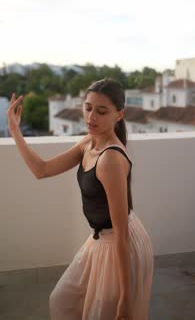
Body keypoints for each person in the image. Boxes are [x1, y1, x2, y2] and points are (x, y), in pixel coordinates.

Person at [7, 78, 154, 320]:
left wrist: (126, 298)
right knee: (62, 300)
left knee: (101, 313)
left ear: (119, 115)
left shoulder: (110, 159)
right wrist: (15, 131)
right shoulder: (88, 143)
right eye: (88, 108)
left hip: (118, 242)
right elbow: (41, 170)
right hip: (100, 239)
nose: (91, 117)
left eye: (101, 111)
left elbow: (122, 234)